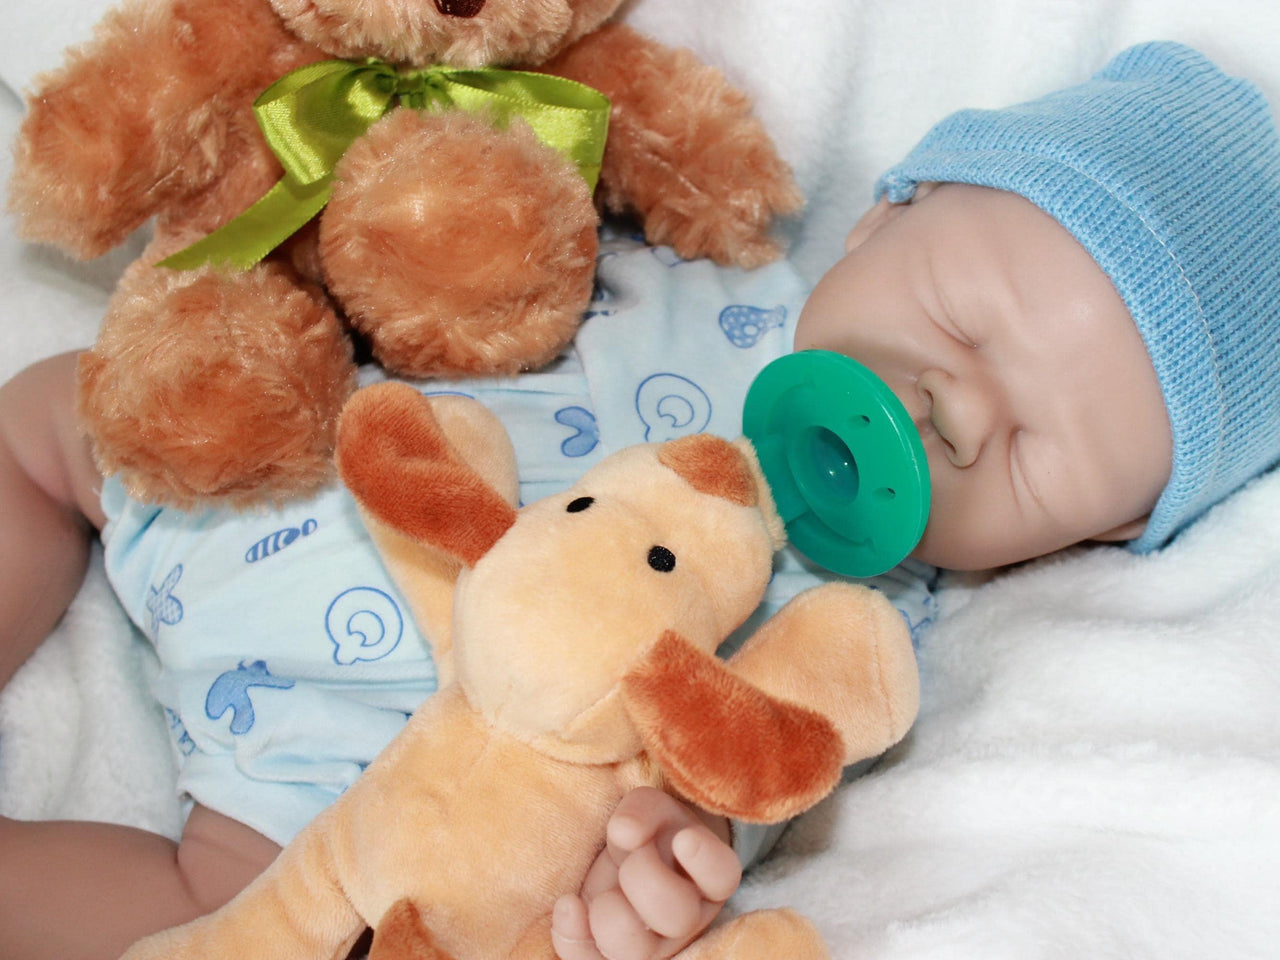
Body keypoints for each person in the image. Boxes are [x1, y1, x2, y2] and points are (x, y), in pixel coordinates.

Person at [1, 38, 1278, 960]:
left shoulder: (869, 632)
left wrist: (666, 851)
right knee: (49, 419)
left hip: (354, 775)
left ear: (1095, 537)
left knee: (226, 922)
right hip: (289, 459)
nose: (955, 408)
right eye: (961, 320)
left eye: (1035, 456)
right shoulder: (708, 252)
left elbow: (747, 760)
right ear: (879, 219)